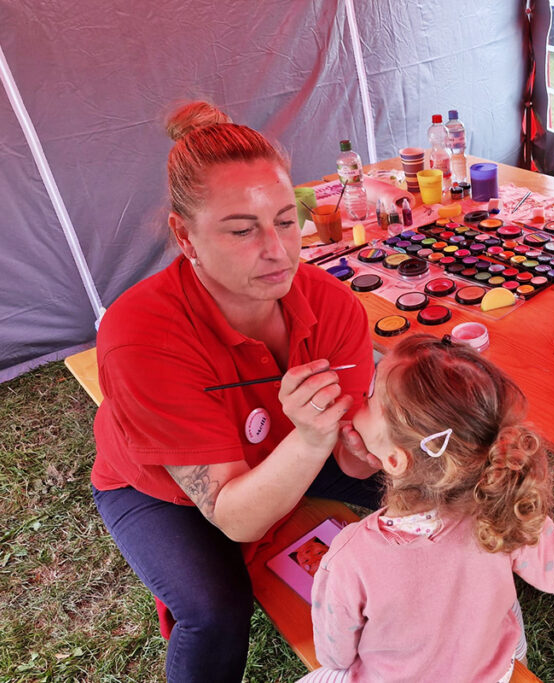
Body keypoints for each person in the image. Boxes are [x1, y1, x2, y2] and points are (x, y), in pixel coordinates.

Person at [90, 101, 381, 682]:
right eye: (243, 230)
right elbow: (234, 515)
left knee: (429, 475)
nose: (277, 251)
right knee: (214, 611)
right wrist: (312, 437)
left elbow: (351, 441)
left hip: (293, 444)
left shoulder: (330, 301)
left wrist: (368, 444)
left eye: (283, 218)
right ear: (184, 236)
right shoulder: (141, 335)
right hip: (160, 489)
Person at [301, 335, 554, 683]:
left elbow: (335, 655)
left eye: (371, 395)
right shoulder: (504, 511)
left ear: (395, 460)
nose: (360, 398)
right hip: (493, 669)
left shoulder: (348, 557)